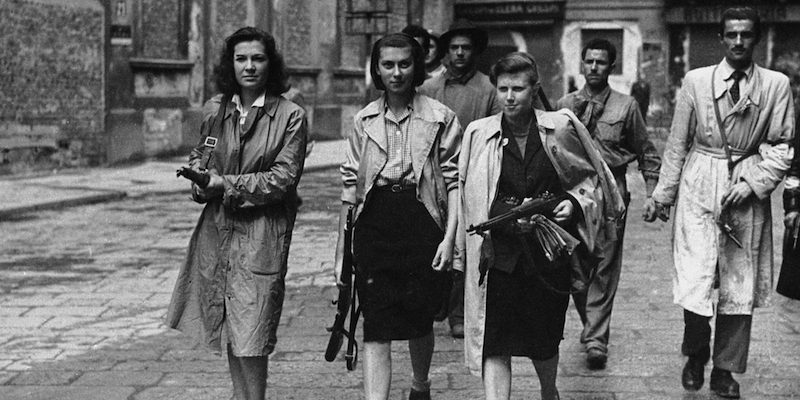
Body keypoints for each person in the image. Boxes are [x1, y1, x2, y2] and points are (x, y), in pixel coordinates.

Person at [456, 52, 624, 400]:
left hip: (548, 255)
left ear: (534, 89)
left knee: (543, 340)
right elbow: (466, 194)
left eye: (518, 88)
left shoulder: (560, 128)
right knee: (495, 340)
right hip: (500, 253)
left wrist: (572, 203)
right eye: (503, 89)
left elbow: (591, 179)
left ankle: (550, 391)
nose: (510, 97)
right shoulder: (479, 134)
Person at [648, 7, 794, 399]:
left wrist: (753, 182)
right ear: (721, 38)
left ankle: (725, 370)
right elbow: (677, 142)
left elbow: (783, 146)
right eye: (731, 35)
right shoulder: (696, 81)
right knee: (695, 276)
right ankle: (696, 353)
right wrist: (663, 194)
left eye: (746, 35)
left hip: (745, 185)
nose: (738, 42)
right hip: (700, 180)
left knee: (738, 283)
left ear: (756, 38)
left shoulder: (775, 85)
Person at [165, 27, 307, 400]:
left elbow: (282, 179)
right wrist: (199, 178)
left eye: (257, 58)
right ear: (230, 64)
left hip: (262, 234)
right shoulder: (217, 108)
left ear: (270, 64)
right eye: (241, 58)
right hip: (218, 231)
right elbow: (203, 153)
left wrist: (223, 186)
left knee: (253, 328)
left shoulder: (290, 116)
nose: (249, 66)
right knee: (231, 322)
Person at [335, 32, 462, 400]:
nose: (396, 72)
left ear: (417, 67)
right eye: (387, 65)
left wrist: (449, 238)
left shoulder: (440, 118)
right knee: (375, 320)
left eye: (404, 64)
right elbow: (350, 189)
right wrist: (341, 253)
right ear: (376, 69)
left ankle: (420, 385)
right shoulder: (364, 120)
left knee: (419, 316)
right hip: (376, 222)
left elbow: (453, 183)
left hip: (422, 221)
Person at [555, 38, 662, 369]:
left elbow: (646, 150)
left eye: (601, 62)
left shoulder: (625, 107)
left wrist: (652, 192)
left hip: (611, 191)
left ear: (611, 67)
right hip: (573, 193)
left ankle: (596, 339)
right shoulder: (564, 105)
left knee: (604, 264)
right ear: (582, 64)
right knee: (574, 264)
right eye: (589, 61)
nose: (594, 67)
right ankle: (592, 325)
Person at [419, 18, 501, 338]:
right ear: (445, 52)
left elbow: (495, 133)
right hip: (433, 174)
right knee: (434, 236)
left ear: (475, 52)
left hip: (472, 172)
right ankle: (435, 302)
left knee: (465, 242)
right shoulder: (428, 88)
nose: (460, 54)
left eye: (466, 48)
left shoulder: (488, 90)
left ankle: (458, 311)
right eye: (454, 48)